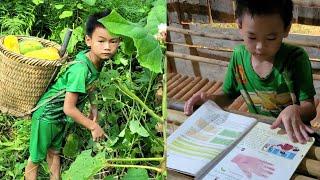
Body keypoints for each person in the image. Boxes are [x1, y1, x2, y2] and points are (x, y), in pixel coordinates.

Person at [184, 0, 316, 144]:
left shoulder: (295, 59)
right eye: (252, 37)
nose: (260, 47)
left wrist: (295, 110)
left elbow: (310, 109)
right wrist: (210, 100)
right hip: (259, 134)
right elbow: (228, 96)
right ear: (239, 26)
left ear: (286, 29)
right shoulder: (239, 57)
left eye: (271, 38)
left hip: (295, 137)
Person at [25, 10, 120, 179]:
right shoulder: (80, 69)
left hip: (59, 117)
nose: (107, 47)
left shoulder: (96, 60)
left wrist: (94, 106)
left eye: (113, 41)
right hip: (47, 115)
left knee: (54, 153)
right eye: (101, 41)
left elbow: (91, 85)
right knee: (36, 159)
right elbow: (69, 108)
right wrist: (93, 126)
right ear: (88, 40)